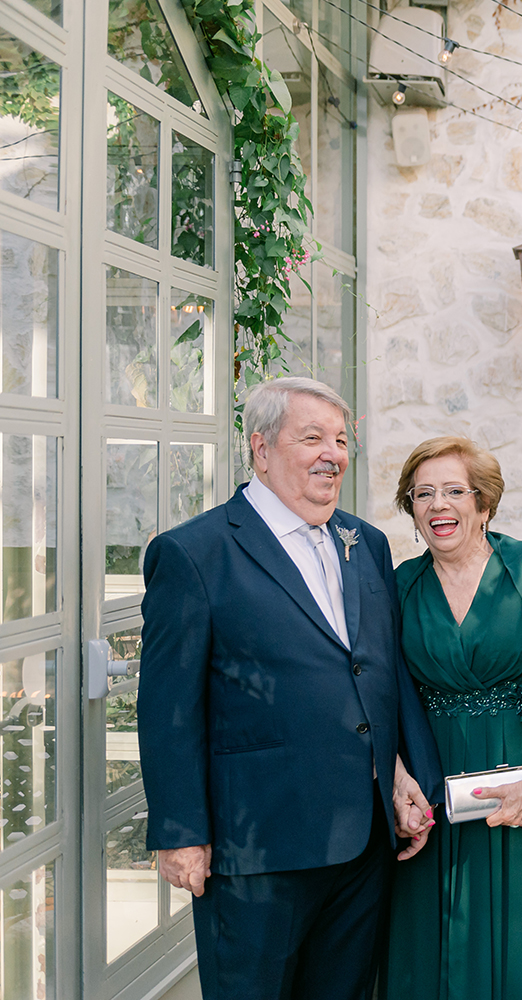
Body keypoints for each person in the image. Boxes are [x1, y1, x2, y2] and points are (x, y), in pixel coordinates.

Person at [138, 377, 443, 1000]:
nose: (332, 453)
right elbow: (168, 709)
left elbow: (378, 672)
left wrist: (403, 771)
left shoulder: (367, 544)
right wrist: (178, 832)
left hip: (361, 842)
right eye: (312, 438)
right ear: (261, 449)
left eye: (340, 439)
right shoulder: (193, 554)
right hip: (256, 847)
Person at [383, 436, 522, 999]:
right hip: (431, 775)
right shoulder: (400, 585)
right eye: (423, 494)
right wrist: (400, 781)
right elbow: (385, 696)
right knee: (437, 924)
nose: (438, 505)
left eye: (453, 491)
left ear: (483, 503)